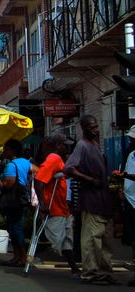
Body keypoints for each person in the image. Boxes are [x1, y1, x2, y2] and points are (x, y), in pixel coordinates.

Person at [65, 115, 118, 285]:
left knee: (104, 240)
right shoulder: (82, 145)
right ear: (84, 128)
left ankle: (104, 271)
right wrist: (89, 179)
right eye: (92, 127)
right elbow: (69, 169)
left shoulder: (95, 145)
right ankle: (91, 273)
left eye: (96, 126)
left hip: (102, 200)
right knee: (91, 239)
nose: (95, 130)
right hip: (91, 200)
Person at [33, 133, 80, 278]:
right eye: (64, 145)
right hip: (54, 208)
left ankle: (74, 269)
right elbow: (39, 180)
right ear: (58, 146)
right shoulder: (54, 158)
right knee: (58, 241)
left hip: (63, 208)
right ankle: (31, 256)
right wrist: (43, 203)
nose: (67, 148)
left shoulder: (58, 159)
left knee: (67, 240)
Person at [0, 139, 32, 266]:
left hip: (14, 200)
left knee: (16, 229)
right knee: (14, 228)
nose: (4, 152)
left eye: (6, 149)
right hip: (21, 199)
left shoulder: (11, 165)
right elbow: (37, 170)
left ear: (12, 150)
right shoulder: (26, 162)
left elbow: (8, 184)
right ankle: (17, 256)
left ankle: (22, 257)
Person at [113, 125, 135, 286]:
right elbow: (124, 174)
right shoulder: (131, 155)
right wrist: (121, 187)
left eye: (133, 138)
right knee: (132, 239)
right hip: (129, 201)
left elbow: (127, 174)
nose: (130, 140)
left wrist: (126, 176)